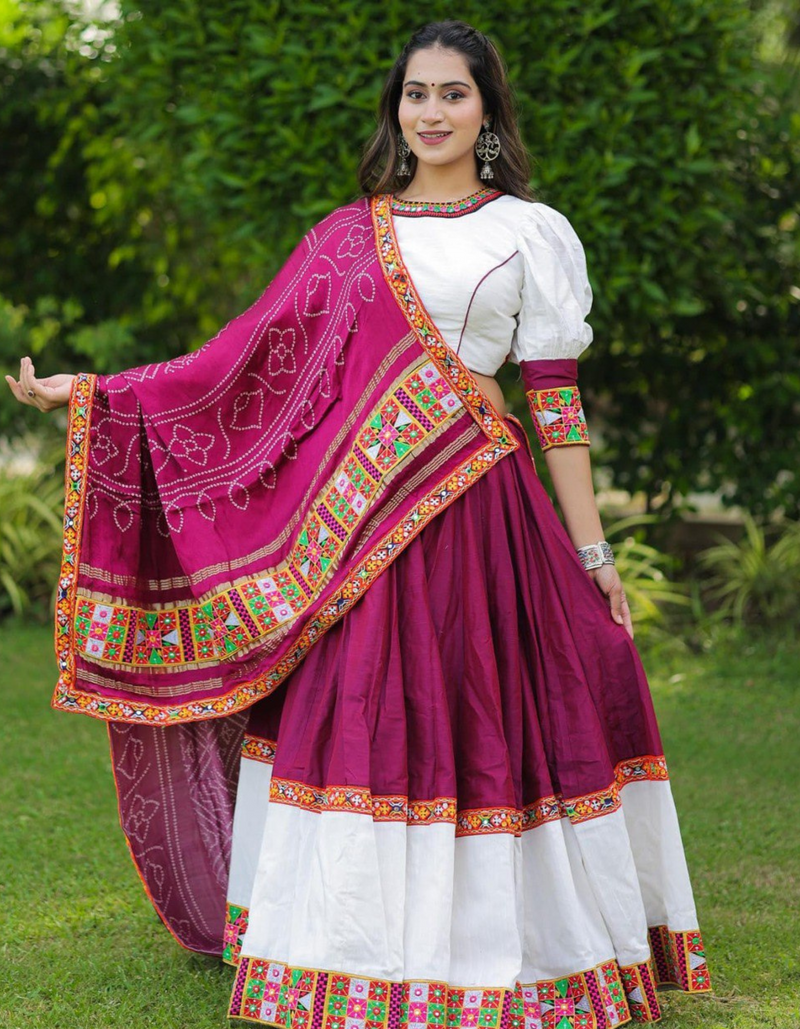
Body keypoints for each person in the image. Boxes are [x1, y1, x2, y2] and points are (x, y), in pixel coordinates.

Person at [6, 19, 712, 1028]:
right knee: (361, 712)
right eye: (415, 94)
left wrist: (591, 550)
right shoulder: (345, 239)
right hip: (362, 533)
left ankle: (513, 943)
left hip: (480, 506)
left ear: (486, 110)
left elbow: (554, 404)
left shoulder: (530, 232)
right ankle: (341, 943)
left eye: (451, 94)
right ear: (396, 109)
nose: (430, 111)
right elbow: (237, 365)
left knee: (489, 709)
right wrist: (98, 393)